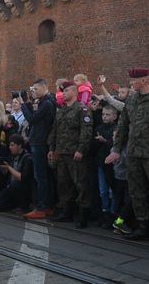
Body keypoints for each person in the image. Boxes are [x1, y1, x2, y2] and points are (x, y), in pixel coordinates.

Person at [106, 67, 149, 249]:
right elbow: (122, 126)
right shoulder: (132, 99)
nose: (131, 84)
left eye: (133, 81)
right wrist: (115, 149)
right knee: (137, 192)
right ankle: (143, 226)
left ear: (144, 80)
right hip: (134, 154)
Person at [48, 81, 93, 228]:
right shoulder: (61, 111)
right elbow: (55, 131)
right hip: (61, 152)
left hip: (75, 153)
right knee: (64, 183)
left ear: (74, 92)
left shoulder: (82, 109)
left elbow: (86, 132)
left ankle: (83, 215)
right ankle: (66, 211)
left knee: (80, 184)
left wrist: (81, 149)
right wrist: (52, 148)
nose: (64, 93)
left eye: (66, 90)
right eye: (63, 91)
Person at [21, 78, 57, 219]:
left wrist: (24, 104)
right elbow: (35, 117)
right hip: (39, 141)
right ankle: (48, 205)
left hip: (40, 143)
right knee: (44, 176)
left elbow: (31, 118)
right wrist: (29, 104)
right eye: (33, 89)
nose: (33, 92)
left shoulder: (47, 103)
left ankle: (42, 207)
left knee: (41, 176)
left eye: (36, 89)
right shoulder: (45, 102)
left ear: (44, 88)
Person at [93, 105, 118, 229]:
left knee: (111, 191)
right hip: (101, 164)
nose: (105, 117)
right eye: (103, 114)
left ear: (114, 116)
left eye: (108, 115)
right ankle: (105, 212)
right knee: (102, 191)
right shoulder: (99, 128)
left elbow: (117, 145)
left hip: (113, 165)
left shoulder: (116, 129)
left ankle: (113, 214)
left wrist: (105, 141)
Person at [0, 134, 34, 212]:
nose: (10, 147)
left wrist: (9, 168)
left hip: (22, 188)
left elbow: (22, 177)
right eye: (10, 145)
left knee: (15, 184)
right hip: (11, 187)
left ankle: (24, 205)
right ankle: (14, 205)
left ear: (19, 146)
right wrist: (2, 167)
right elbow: (7, 174)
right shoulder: (12, 156)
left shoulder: (27, 158)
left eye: (12, 145)